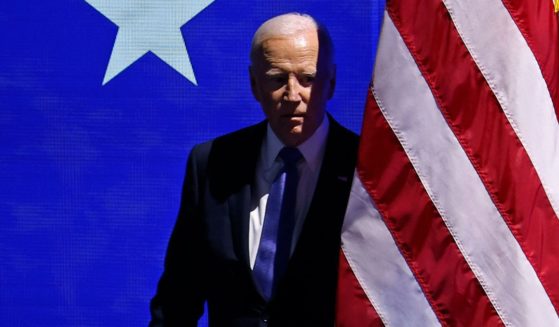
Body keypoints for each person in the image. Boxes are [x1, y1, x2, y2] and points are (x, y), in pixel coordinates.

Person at [149, 12, 359, 326]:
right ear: (254, 85)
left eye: (307, 79)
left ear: (331, 83)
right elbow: (178, 297)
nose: (292, 95)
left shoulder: (365, 170)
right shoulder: (211, 163)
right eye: (277, 79)